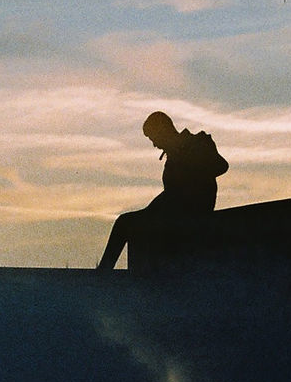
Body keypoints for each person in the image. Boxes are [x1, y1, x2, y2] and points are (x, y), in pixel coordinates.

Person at [97, 111, 228, 270]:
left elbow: (221, 166)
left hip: (191, 211)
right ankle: (105, 271)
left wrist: (186, 160)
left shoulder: (197, 142)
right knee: (125, 223)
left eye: (154, 138)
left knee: (126, 223)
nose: (155, 144)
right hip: (171, 210)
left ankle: (103, 273)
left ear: (163, 131)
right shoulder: (173, 154)